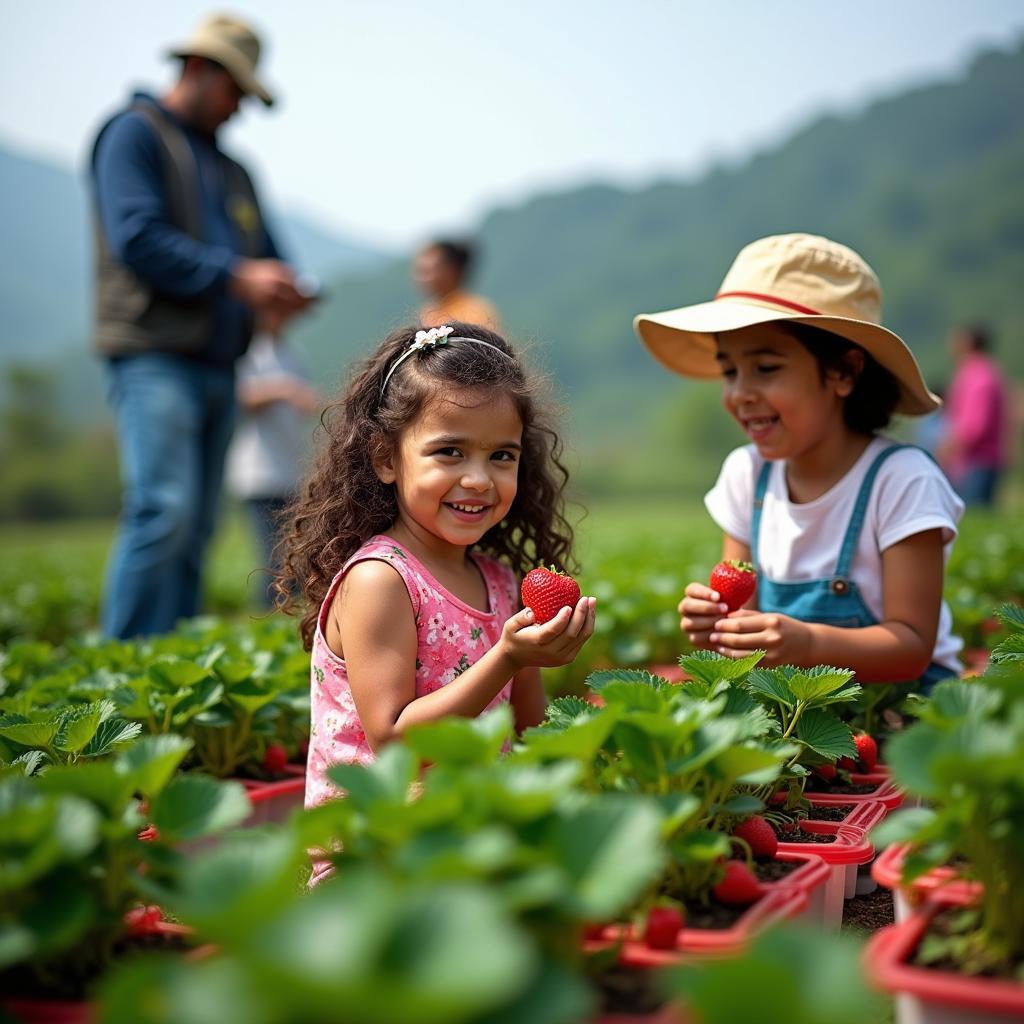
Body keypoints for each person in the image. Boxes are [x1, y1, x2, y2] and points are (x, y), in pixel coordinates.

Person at [275, 321, 596, 811]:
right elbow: (395, 740)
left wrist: (537, 657)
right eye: (450, 452)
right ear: (386, 458)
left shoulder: (500, 581)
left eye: (501, 456)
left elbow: (530, 731)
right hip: (381, 840)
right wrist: (507, 657)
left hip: (476, 824)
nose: (478, 479)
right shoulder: (380, 580)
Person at [634, 233, 964, 687]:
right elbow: (744, 622)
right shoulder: (747, 474)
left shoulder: (902, 480)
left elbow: (911, 647)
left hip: (899, 705)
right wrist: (718, 625)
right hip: (795, 706)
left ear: (843, 372)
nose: (740, 394)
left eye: (766, 368)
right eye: (729, 371)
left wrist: (808, 644)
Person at [90, 14, 310, 638]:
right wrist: (238, 277)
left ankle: (166, 658)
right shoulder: (134, 136)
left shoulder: (231, 170)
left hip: (219, 360)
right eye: (234, 91)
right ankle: (118, 662)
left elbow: (269, 252)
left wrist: (283, 287)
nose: (238, 107)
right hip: (153, 351)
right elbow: (137, 236)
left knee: (198, 526)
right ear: (197, 69)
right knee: (164, 510)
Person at [226, 307, 322, 605]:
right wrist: (282, 390)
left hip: (289, 471)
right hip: (259, 472)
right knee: (272, 557)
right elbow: (237, 396)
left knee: (292, 555)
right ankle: (268, 617)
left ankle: (283, 619)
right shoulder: (246, 348)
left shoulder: (289, 351)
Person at [938, 324, 1010, 507]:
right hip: (979, 460)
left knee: (973, 515)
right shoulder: (986, 371)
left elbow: (975, 426)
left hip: (976, 461)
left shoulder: (978, 375)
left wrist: (950, 446)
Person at [414, 239, 502, 331]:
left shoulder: (475, 312)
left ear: (452, 270)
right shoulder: (427, 312)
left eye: (427, 271)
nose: (420, 279)